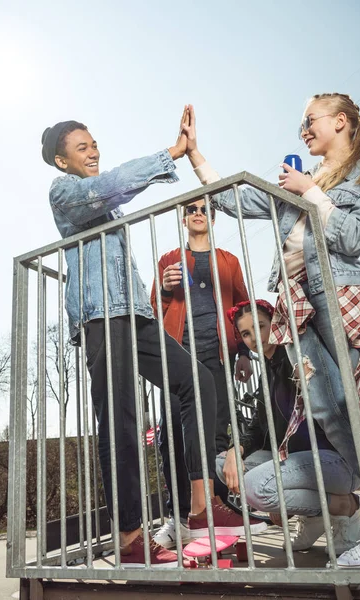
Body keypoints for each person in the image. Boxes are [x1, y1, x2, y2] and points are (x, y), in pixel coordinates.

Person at [41, 115, 265, 567]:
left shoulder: (105, 205)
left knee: (197, 382)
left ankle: (201, 508)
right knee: (121, 416)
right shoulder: (64, 191)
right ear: (62, 160)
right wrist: (172, 154)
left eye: (95, 144)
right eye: (82, 148)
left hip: (134, 315)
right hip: (101, 315)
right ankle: (128, 538)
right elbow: (109, 186)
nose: (93, 152)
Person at [182, 96, 360, 568]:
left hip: (339, 300)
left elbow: (354, 237)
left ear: (341, 122)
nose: (303, 130)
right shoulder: (297, 186)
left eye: (310, 121)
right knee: (336, 417)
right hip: (300, 310)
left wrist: (309, 193)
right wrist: (196, 156)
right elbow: (235, 195)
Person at [217, 300, 360, 555]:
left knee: (255, 487)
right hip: (298, 461)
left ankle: (346, 506)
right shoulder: (268, 371)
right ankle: (315, 517)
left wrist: (276, 496)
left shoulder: (296, 356)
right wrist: (235, 450)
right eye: (246, 333)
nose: (255, 337)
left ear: (274, 323)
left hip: (336, 462)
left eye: (260, 326)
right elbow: (257, 427)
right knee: (224, 464)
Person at [150, 197, 252, 548]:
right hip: (178, 355)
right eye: (191, 209)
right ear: (183, 219)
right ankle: (179, 518)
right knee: (172, 437)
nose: (197, 213)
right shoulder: (168, 260)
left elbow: (242, 311)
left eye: (204, 209)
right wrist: (165, 288)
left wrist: (242, 352)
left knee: (215, 437)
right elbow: (155, 310)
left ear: (212, 217)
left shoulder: (229, 261)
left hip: (217, 355)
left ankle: (221, 515)